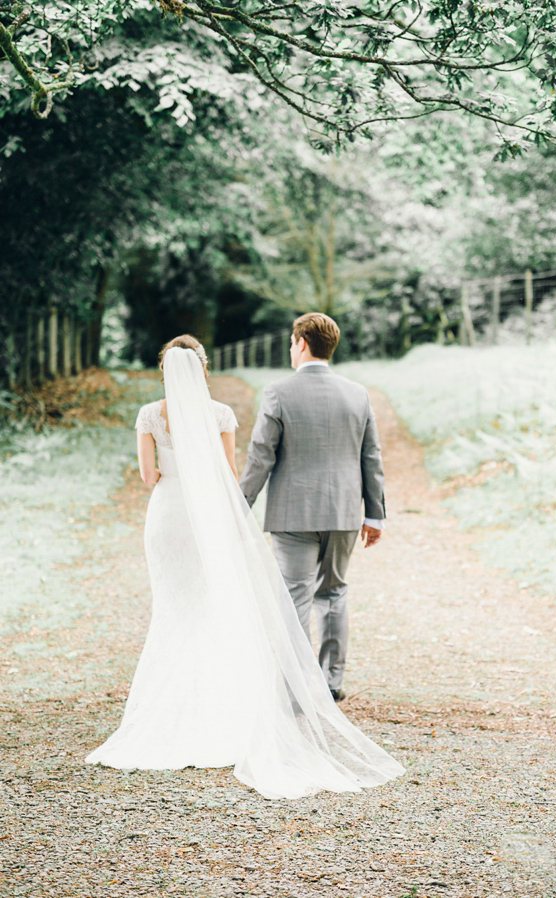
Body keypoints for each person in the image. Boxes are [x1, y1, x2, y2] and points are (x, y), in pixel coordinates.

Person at [87, 336, 403, 799]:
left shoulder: (150, 415)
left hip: (169, 516)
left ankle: (179, 708)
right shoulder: (222, 415)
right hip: (217, 515)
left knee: (174, 608)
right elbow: (231, 471)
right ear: (203, 369)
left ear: (164, 370)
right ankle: (288, 693)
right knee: (230, 605)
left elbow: (149, 476)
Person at [239, 313, 385, 702]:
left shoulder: (278, 393)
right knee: (334, 593)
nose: (291, 349)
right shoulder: (358, 394)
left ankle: (296, 685)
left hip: (293, 513)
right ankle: (331, 682)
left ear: (302, 343)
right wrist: (375, 513)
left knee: (294, 596)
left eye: (291, 342)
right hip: (343, 513)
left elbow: (260, 457)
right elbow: (371, 457)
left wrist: (240, 505)